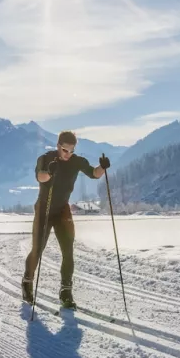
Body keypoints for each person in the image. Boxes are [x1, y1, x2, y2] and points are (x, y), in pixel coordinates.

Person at [21, 130, 109, 309]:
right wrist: (50, 173)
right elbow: (40, 176)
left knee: (68, 252)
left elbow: (94, 173)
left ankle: (66, 292)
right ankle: (27, 281)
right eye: (64, 150)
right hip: (44, 210)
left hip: (63, 210)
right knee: (38, 249)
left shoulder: (77, 161)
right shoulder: (46, 158)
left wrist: (103, 167)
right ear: (58, 146)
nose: (68, 154)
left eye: (71, 150)